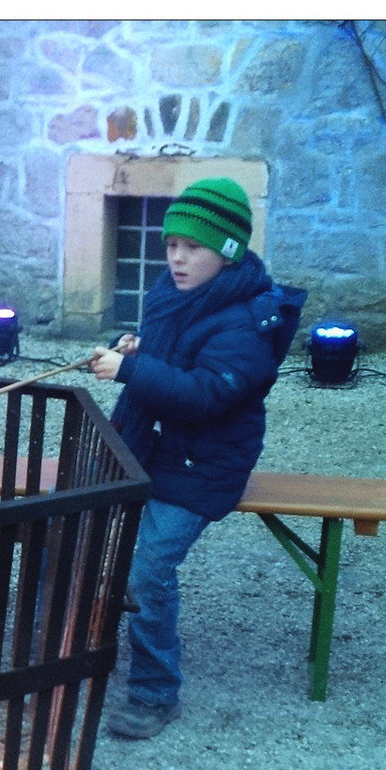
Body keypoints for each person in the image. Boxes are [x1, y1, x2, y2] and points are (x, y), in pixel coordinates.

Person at [90, 177, 307, 739]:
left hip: (205, 467)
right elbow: (174, 357)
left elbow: (206, 394)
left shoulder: (249, 321)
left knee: (147, 572)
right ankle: (74, 655)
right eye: (171, 245)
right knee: (79, 533)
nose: (178, 258)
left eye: (194, 247)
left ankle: (156, 693)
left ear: (228, 251)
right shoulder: (177, 294)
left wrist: (133, 371)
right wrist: (139, 348)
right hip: (157, 449)